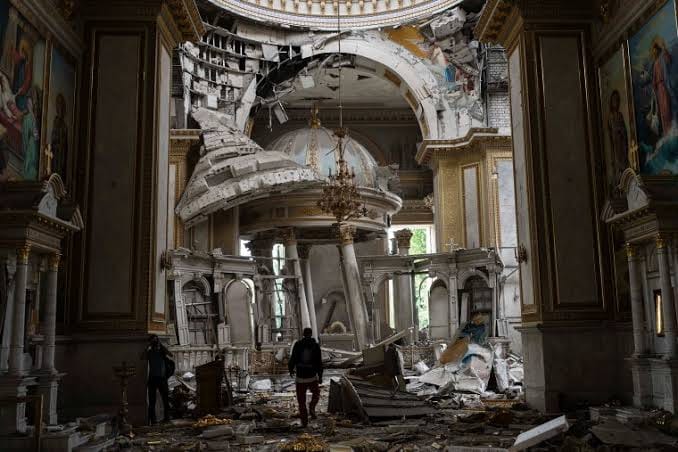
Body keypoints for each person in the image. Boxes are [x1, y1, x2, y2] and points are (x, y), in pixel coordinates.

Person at [288, 327, 322, 427]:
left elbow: (293, 358)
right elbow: (319, 363)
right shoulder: (315, 346)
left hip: (301, 377)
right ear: (311, 334)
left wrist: (291, 369)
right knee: (316, 394)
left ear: (303, 334)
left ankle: (304, 421)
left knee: (301, 401)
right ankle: (312, 407)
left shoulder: (298, 345)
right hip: (312, 376)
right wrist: (320, 376)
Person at [143, 335, 172, 424]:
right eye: (153, 341)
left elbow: (170, 354)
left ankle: (167, 418)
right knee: (152, 401)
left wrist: (161, 345)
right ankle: (153, 420)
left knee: (165, 400)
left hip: (162, 378)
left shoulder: (162, 351)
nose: (155, 343)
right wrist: (147, 346)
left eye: (155, 341)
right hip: (152, 379)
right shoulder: (150, 352)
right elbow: (142, 357)